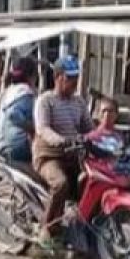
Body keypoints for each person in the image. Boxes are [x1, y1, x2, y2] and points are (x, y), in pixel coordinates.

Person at [33, 55, 93, 248]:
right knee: (61, 184)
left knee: (90, 182)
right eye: (70, 78)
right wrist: (60, 140)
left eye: (76, 78)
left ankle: (83, 227)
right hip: (49, 156)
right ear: (58, 77)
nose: (74, 83)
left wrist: (103, 137)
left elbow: (89, 128)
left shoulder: (79, 102)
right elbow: (43, 129)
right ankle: (48, 228)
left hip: (73, 155)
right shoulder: (45, 101)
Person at [0, 56, 37, 163]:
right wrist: (33, 128)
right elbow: (13, 115)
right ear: (31, 76)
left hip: (1, 146)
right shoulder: (25, 93)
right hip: (19, 149)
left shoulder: (8, 92)